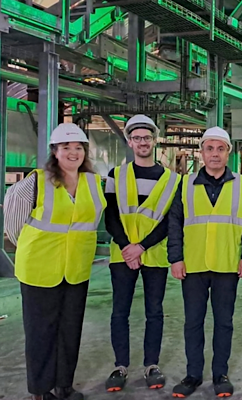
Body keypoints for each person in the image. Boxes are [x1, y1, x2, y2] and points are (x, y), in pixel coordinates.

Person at [4, 123, 106, 400]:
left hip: (76, 269)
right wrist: (32, 247)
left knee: (70, 330)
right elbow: (13, 224)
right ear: (55, 151)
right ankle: (40, 390)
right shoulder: (35, 182)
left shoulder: (93, 182)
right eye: (66, 147)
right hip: (39, 267)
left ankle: (64, 385)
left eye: (78, 148)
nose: (73, 153)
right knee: (40, 332)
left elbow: (92, 222)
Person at [167, 126, 242, 398]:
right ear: (202, 152)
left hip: (227, 264)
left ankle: (221, 374)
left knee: (224, 323)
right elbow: (175, 223)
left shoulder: (241, 184)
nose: (215, 154)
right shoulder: (185, 184)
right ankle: (193, 375)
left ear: (228, 153)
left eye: (220, 149)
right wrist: (176, 258)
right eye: (209, 148)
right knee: (193, 323)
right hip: (193, 265)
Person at [103, 115, 180, 392]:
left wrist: (141, 247)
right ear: (129, 141)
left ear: (155, 140)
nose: (142, 142)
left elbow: (171, 221)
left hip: (154, 254)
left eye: (147, 137)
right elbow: (110, 215)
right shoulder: (115, 175)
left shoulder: (173, 180)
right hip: (122, 254)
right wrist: (128, 247)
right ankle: (120, 366)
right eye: (137, 138)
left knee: (154, 312)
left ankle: (151, 365)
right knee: (119, 312)